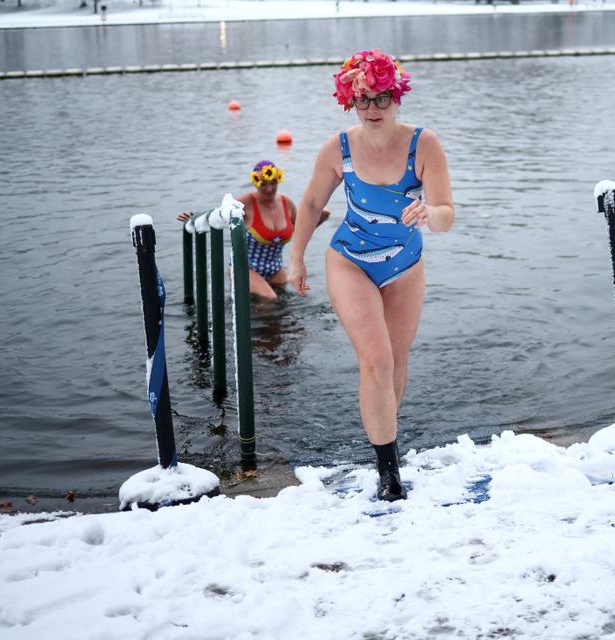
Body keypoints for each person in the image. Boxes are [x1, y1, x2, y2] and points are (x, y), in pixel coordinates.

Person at [289, 49, 454, 501]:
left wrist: (429, 213)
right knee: (377, 360)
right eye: (363, 100)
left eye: (382, 99)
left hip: (405, 265)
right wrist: (297, 255)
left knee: (396, 364)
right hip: (351, 262)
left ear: (397, 97)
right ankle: (389, 475)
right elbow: (308, 204)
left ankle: (385, 438)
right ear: (350, 102)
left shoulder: (425, 144)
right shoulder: (338, 148)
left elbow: (446, 214)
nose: (373, 110)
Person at [177, 160, 329, 300]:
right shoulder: (246, 202)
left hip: (275, 268)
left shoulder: (286, 203)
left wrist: (318, 218)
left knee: (285, 304)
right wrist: (196, 218)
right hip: (246, 268)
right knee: (270, 299)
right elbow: (219, 215)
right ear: (255, 183)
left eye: (273, 183)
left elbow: (300, 229)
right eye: (264, 184)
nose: (269, 189)